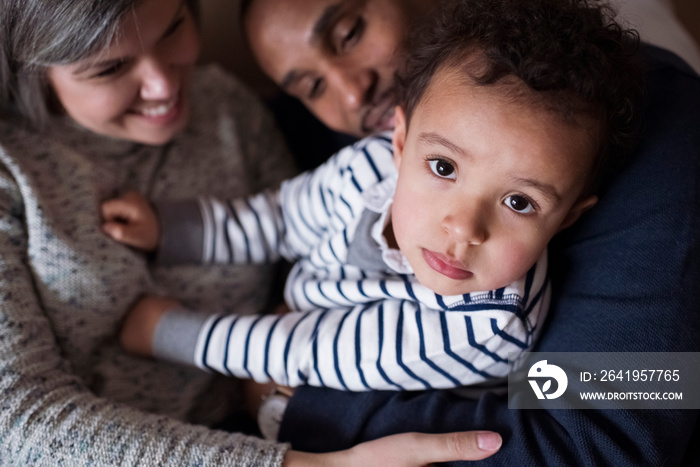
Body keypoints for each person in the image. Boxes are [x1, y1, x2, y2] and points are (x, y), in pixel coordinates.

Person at [102, 0, 642, 442]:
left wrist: (168, 331)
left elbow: (305, 353)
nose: (463, 227)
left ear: (568, 217)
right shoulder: (369, 162)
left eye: (519, 203)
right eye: (443, 168)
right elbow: (283, 216)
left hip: (340, 403)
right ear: (400, 142)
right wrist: (173, 230)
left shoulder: (483, 322)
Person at [0, 0, 503, 464]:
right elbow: (17, 420)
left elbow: (563, 408)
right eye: (308, 85)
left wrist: (287, 405)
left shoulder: (533, 175)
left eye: (349, 33)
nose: (164, 86)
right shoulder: (362, 153)